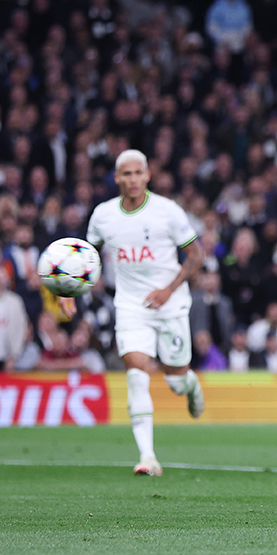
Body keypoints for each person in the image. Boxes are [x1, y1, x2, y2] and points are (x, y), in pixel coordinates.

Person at [61, 149, 206, 477]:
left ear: (147, 175)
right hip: (130, 306)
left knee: (175, 380)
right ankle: (147, 457)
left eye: (138, 173)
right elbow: (87, 258)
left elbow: (197, 254)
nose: (132, 179)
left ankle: (191, 385)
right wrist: (67, 292)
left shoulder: (167, 212)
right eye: (126, 174)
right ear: (117, 178)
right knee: (137, 375)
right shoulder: (103, 215)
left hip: (171, 305)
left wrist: (168, 289)